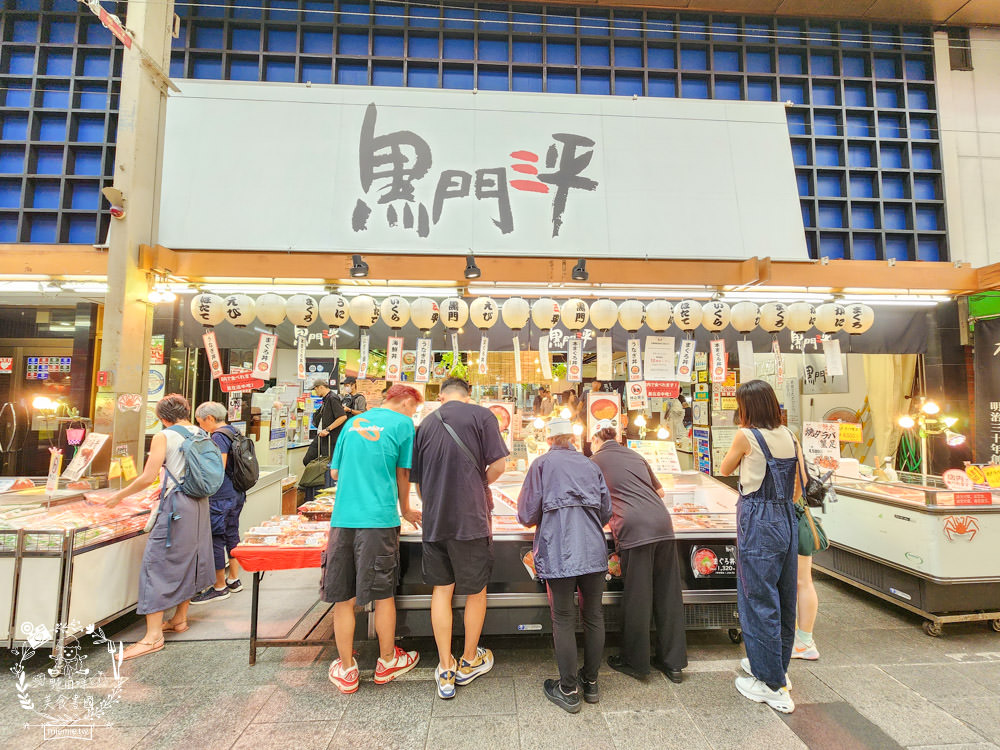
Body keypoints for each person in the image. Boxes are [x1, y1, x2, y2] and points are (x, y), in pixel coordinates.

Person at [410, 377, 510, 699]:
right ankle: (469, 661)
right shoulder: (482, 416)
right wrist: (478, 484)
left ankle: (445, 666)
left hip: (436, 520)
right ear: (469, 396)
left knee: (442, 589)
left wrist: (436, 503)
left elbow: (418, 483)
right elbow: (500, 465)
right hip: (472, 520)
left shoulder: (424, 424)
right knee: (476, 590)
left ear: (441, 397)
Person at [323, 384, 424, 694]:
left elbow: (336, 474)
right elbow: (403, 473)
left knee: (343, 597)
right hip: (379, 520)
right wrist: (406, 510)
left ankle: (347, 669)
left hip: (343, 520)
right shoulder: (404, 423)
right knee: (383, 595)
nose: (413, 414)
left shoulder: (353, 422)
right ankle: (387, 660)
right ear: (407, 402)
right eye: (414, 408)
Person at [99, 394, 214, 659]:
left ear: (162, 417)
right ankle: (179, 619)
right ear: (186, 411)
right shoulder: (200, 432)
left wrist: (118, 496)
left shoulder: (165, 436)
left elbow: (148, 476)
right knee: (190, 558)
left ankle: (152, 637)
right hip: (200, 503)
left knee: (158, 563)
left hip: (177, 505)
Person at [719, 380, 804, 715]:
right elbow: (801, 484)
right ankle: (775, 667)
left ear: (748, 407)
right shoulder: (790, 434)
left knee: (757, 597)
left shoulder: (746, 436)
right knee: (783, 597)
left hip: (758, 518)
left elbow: (725, 469)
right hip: (786, 516)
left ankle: (771, 685)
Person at [517, 417, 612, 714]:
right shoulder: (591, 465)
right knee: (594, 614)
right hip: (594, 551)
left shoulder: (542, 465)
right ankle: (591, 682)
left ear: (548, 439)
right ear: (573, 438)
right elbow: (606, 511)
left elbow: (525, 514)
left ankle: (569, 689)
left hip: (559, 551)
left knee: (563, 619)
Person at [590, 420, 687, 684]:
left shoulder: (595, 460)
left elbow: (592, 498)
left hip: (635, 529)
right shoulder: (635, 454)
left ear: (595, 440)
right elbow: (661, 491)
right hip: (663, 524)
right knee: (668, 593)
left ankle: (636, 661)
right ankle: (674, 663)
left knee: (638, 596)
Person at [191, 401, 246, 604]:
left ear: (210, 419)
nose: (200, 426)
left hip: (221, 495)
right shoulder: (234, 431)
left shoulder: (218, 436)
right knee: (232, 533)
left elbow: (218, 468)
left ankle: (219, 586)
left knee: (216, 538)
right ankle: (234, 578)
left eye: (200, 422)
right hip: (237, 492)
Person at [308, 378, 347, 490]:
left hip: (330, 439)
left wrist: (328, 429)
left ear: (320, 387)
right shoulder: (326, 399)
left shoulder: (332, 398)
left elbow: (342, 416)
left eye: (315, 389)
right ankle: (318, 486)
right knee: (310, 460)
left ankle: (325, 488)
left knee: (326, 464)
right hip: (323, 437)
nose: (315, 392)